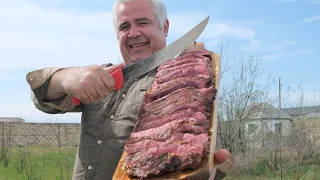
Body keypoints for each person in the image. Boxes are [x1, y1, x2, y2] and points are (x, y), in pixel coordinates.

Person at [26, 0, 231, 179]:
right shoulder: (99, 78)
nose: (133, 33)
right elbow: (42, 100)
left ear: (165, 27)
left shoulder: (185, 82)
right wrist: (65, 77)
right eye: (124, 26)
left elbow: (212, 156)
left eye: (143, 22)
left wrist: (209, 170)